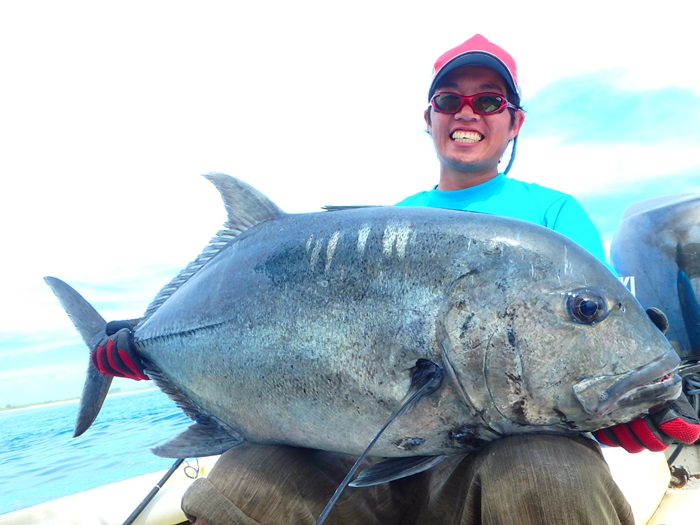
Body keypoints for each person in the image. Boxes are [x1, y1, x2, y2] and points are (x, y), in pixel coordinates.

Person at [94, 35, 700, 524]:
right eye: (450, 100)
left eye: (489, 101)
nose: (468, 112)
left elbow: (589, 345)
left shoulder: (554, 215)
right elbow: (298, 327)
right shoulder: (391, 220)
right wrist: (149, 341)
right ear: (430, 118)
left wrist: (634, 395)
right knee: (248, 479)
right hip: (379, 456)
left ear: (513, 122)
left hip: (497, 458)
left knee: (548, 472)